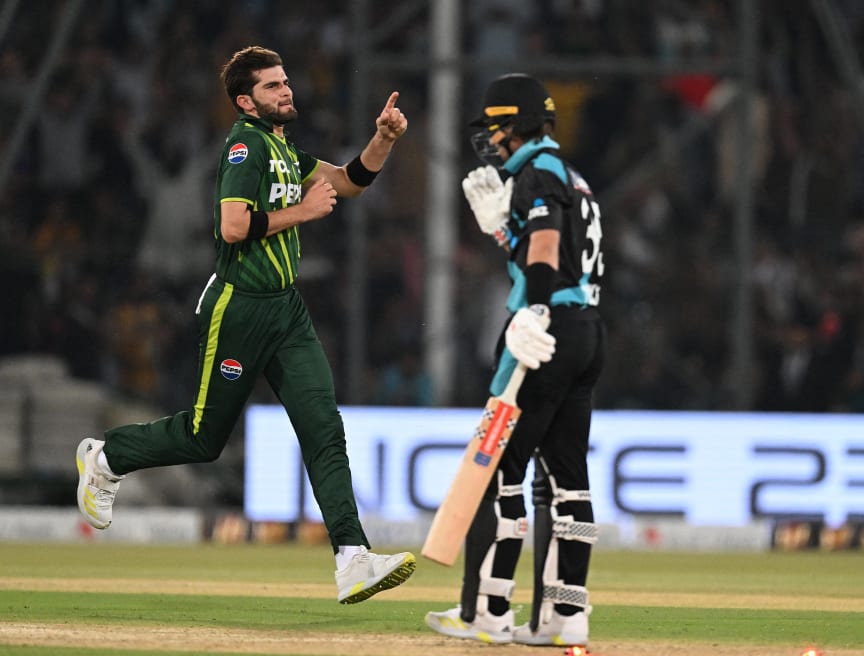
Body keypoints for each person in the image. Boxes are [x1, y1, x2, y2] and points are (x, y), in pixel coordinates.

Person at [74, 46, 416, 604]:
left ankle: (352, 558)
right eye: (273, 85)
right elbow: (233, 227)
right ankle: (106, 457)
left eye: (286, 81)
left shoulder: (282, 147)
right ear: (245, 100)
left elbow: (349, 182)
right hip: (240, 307)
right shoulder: (244, 146)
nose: (286, 90)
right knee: (203, 438)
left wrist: (384, 139)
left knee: (323, 429)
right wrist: (302, 213)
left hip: (285, 308)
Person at [425, 73, 606, 646]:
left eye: (496, 126)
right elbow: (555, 255)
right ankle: (564, 617)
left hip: (544, 330)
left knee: (502, 470)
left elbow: (548, 252)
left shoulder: (537, 172)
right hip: (586, 329)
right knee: (567, 481)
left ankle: (489, 613)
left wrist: (533, 310)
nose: (491, 139)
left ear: (516, 123)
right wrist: (504, 232)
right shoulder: (573, 177)